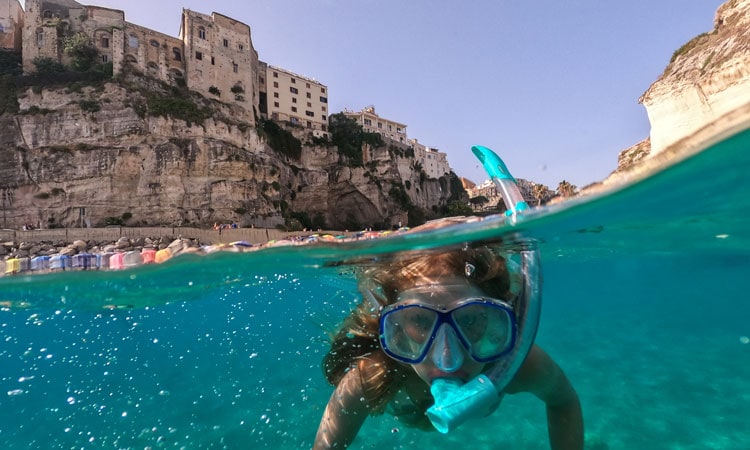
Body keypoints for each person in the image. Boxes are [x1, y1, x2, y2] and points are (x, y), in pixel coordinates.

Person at [313, 239, 583, 449]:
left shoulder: (513, 364)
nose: (448, 358)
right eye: (420, 320)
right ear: (395, 327)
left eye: (469, 321)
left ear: (496, 320)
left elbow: (564, 401)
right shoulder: (374, 375)